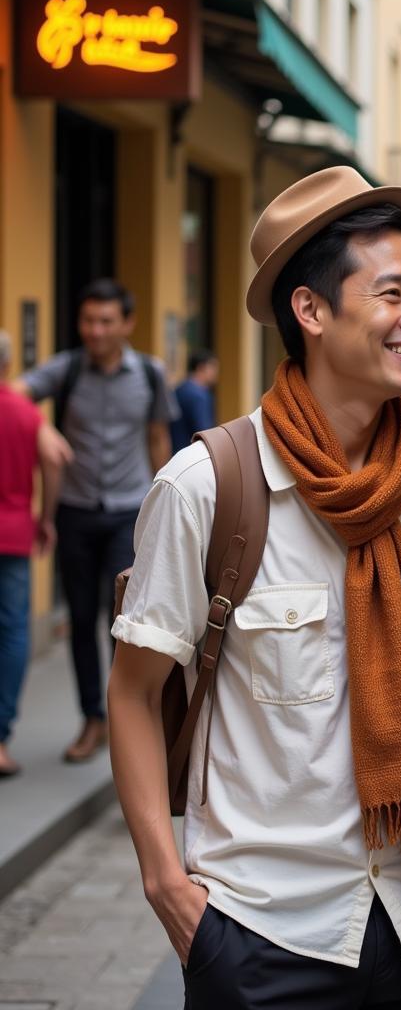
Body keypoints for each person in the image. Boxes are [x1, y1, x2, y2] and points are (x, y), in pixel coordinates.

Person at [107, 166, 401, 1009]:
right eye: (393, 294)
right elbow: (135, 695)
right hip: (263, 931)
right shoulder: (209, 487)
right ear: (313, 311)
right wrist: (167, 886)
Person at [15, 279, 177, 763]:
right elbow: (14, 396)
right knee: (81, 618)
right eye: (88, 320)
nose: (96, 330)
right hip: (76, 510)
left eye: (107, 321)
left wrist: (163, 505)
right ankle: (93, 720)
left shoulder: (149, 374)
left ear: (127, 323)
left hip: (128, 513)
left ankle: (128, 718)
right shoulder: (65, 370)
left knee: (124, 622)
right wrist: (42, 428)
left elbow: (156, 440)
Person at [0, 331, 70, 777]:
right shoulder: (26, 414)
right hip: (13, 534)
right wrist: (46, 516)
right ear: (8, 365)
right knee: (11, 633)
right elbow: (57, 458)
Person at [170, 350, 218, 453]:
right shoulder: (199, 395)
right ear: (201, 367)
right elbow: (204, 432)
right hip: (193, 454)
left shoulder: (179, 389)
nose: (216, 373)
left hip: (176, 453)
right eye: (213, 368)